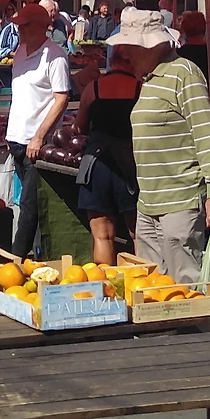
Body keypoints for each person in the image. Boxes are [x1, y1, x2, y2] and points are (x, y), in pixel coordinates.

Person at [109, 8, 210, 286]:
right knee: (152, 289)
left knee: (187, 289)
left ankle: (206, 318)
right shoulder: (149, 78)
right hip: (148, 203)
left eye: (130, 46)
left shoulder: (184, 74)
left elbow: (207, 134)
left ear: (151, 45)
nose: (124, 53)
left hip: (180, 204)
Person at [5, 1, 72, 259]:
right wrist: (11, 130)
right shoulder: (20, 52)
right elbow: (20, 95)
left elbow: (61, 98)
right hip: (17, 140)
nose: (19, 29)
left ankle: (16, 258)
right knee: (27, 203)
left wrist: (40, 136)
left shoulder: (55, 56)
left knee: (29, 205)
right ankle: (36, 254)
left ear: (40, 26)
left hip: (38, 145)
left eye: (24, 25)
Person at [75, 47, 141, 266]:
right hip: (130, 163)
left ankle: (105, 282)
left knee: (102, 235)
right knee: (138, 234)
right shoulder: (140, 88)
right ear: (133, 62)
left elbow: (79, 127)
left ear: (112, 61)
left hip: (97, 163)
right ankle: (144, 282)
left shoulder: (93, 88)